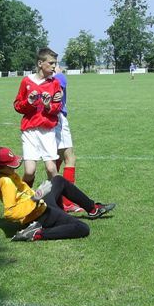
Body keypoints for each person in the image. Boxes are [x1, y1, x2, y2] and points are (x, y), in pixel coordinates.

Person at [0, 146, 116, 241]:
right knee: (82, 228)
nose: (14, 167)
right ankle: (36, 233)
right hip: (37, 215)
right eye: (10, 166)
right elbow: (10, 213)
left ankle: (93, 209)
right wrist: (35, 198)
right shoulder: (6, 182)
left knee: (58, 180)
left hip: (39, 205)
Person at [14, 47, 63, 188]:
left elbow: (57, 108)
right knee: (29, 171)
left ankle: (57, 203)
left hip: (48, 131)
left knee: (51, 169)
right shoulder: (26, 82)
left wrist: (48, 106)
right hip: (30, 130)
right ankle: (23, 200)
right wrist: (28, 102)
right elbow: (17, 106)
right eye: (51, 63)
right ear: (40, 63)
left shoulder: (54, 83)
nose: (54, 66)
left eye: (55, 63)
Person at [54, 67, 82, 212]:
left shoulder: (38, 78)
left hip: (48, 120)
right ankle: (67, 202)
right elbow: (59, 90)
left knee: (56, 159)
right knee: (70, 158)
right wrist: (59, 73)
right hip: (58, 118)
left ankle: (56, 198)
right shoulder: (60, 77)